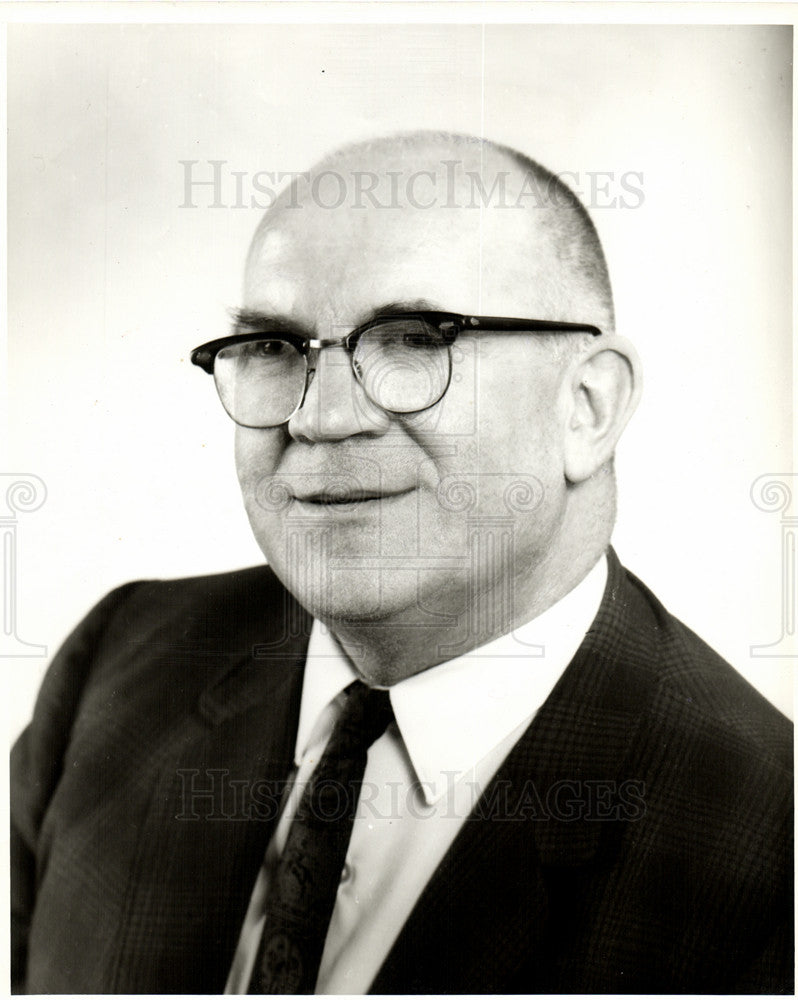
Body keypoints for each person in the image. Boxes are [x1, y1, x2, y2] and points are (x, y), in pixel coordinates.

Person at [11, 132, 792, 994]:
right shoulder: (122, 661)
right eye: (273, 348)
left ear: (588, 407)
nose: (322, 419)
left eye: (414, 339)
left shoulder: (768, 857)